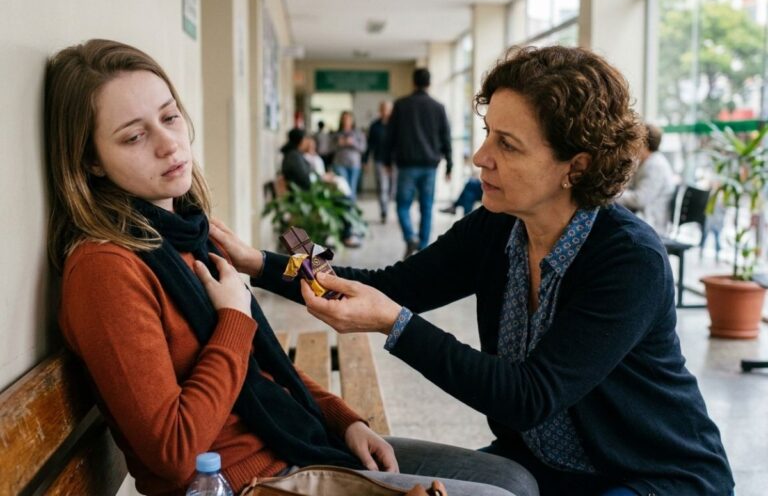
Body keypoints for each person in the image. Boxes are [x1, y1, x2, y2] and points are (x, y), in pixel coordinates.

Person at [216, 46, 734, 496]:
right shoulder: (497, 226)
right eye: (488, 134)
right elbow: (391, 285)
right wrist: (258, 262)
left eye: (507, 145)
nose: (480, 158)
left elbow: (530, 396)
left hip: (653, 475)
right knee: (373, 470)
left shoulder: (628, 259)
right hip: (542, 468)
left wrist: (396, 324)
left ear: (575, 166)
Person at [45, 39, 537, 496]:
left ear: (571, 166)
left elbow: (268, 367)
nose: (169, 145)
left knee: (512, 478)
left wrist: (346, 419)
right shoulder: (109, 267)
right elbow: (176, 456)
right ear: (90, 161)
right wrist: (240, 311)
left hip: (293, 443)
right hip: (250, 479)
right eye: (133, 136)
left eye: (170, 118)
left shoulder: (185, 232)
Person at [385, 68, 452, 258]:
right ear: (429, 83)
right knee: (426, 207)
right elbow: (445, 136)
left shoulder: (401, 105)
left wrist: (387, 160)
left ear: (413, 82)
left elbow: (391, 135)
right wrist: (450, 165)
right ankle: (422, 247)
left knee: (402, 205)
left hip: (406, 165)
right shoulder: (438, 107)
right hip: (430, 166)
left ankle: (410, 236)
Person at [616, 124, 677, 234]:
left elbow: (639, 199)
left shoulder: (655, 165)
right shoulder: (646, 162)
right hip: (642, 219)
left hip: (651, 224)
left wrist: (613, 195)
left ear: (644, 144)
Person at [366, 100, 396, 223]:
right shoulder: (375, 126)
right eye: (383, 109)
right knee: (383, 187)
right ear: (380, 110)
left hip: (395, 161)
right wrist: (365, 160)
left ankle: (387, 206)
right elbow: (370, 144)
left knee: (392, 189)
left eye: (388, 109)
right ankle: (384, 211)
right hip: (380, 160)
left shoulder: (396, 125)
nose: (385, 111)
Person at [331, 111, 367, 202]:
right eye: (344, 118)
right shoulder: (336, 133)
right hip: (339, 163)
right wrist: (339, 143)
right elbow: (328, 148)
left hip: (354, 164)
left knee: (352, 187)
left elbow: (363, 148)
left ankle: (351, 210)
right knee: (343, 187)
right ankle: (343, 209)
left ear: (352, 120)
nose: (346, 120)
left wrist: (352, 142)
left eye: (348, 118)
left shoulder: (358, 133)